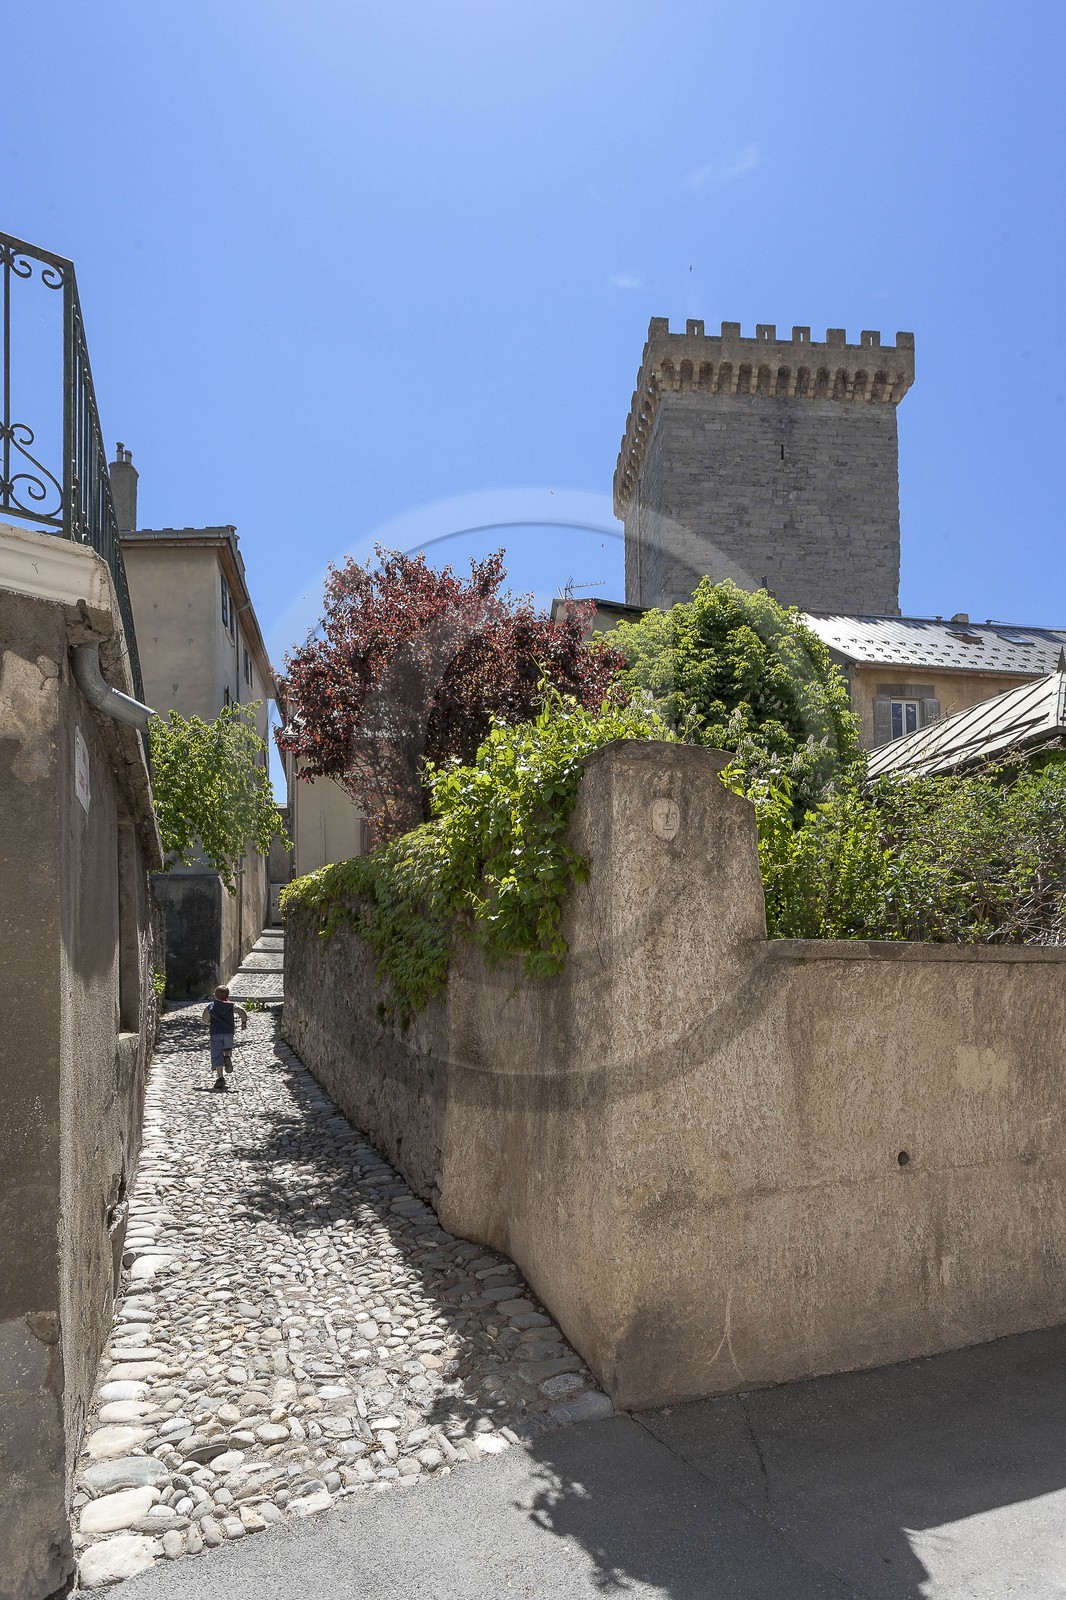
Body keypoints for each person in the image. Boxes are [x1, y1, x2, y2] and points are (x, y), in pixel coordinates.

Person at [200, 985, 248, 1091]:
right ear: (228, 995)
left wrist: (208, 1021)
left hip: (215, 1033)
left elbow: (204, 1019)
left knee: (216, 1054)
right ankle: (227, 1056)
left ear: (214, 995)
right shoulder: (231, 1005)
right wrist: (243, 1022)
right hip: (228, 1032)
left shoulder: (211, 1006)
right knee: (227, 1048)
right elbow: (242, 1011)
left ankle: (220, 1077)